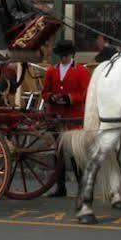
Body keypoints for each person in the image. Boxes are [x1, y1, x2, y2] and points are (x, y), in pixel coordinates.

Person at [43, 40, 91, 197]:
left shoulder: (82, 71)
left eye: (66, 55)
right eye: (61, 56)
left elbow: (85, 93)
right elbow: (44, 92)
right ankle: (60, 187)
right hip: (56, 115)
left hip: (74, 116)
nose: (63, 58)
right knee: (58, 153)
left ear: (71, 55)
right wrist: (52, 97)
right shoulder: (51, 71)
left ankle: (82, 188)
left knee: (76, 153)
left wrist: (69, 98)